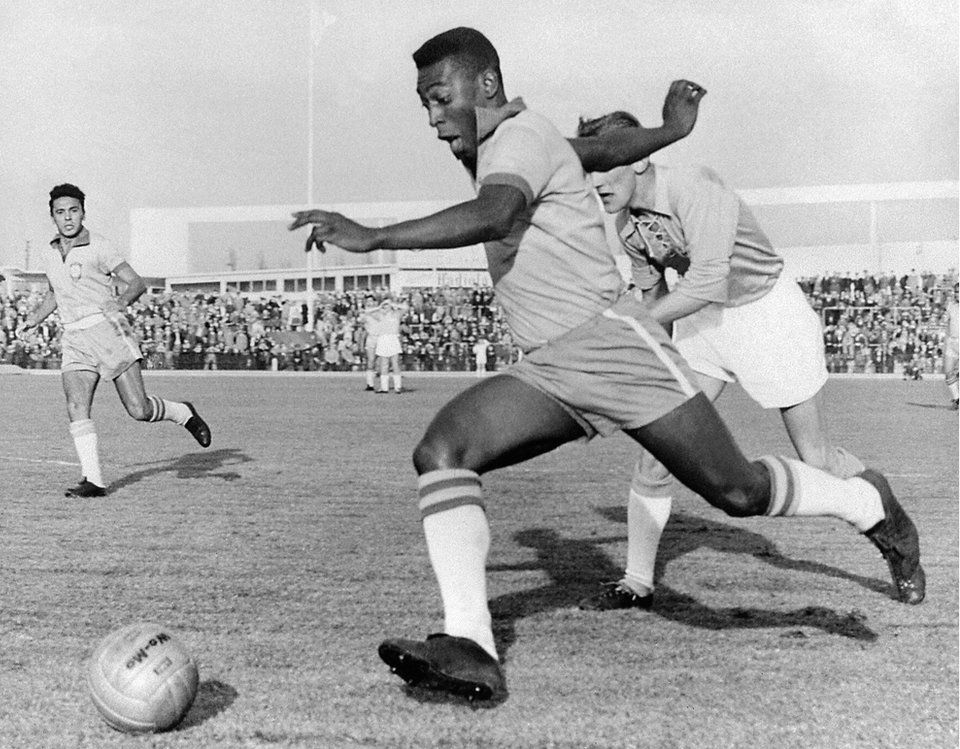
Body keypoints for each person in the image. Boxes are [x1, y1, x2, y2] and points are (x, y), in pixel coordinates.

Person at [288, 28, 923, 702]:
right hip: (554, 366)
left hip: (616, 348)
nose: (432, 115)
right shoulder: (523, 137)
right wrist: (668, 130)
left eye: (440, 97)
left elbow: (494, 212)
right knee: (443, 449)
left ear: (487, 86)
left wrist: (376, 236)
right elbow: (599, 150)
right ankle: (469, 644)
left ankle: (867, 503)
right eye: (423, 104)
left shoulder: (517, 140)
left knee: (736, 492)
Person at [573, 110, 868, 611]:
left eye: (605, 165)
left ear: (641, 158)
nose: (595, 182)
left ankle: (884, 515)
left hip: (766, 312)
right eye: (589, 169)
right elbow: (656, 303)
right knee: (659, 447)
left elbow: (705, 280)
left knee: (816, 458)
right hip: (703, 320)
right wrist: (637, 363)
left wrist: (626, 327)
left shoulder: (693, 186)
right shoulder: (627, 227)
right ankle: (636, 582)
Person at [21, 184, 211, 498]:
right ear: (52, 216)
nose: (67, 218)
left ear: (83, 212)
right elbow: (55, 293)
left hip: (108, 332)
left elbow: (136, 282)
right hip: (74, 337)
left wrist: (121, 302)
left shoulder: (101, 246)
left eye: (73, 210)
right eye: (60, 212)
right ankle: (94, 481)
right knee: (76, 405)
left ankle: (183, 413)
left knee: (139, 410)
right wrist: (33, 319)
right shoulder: (49, 252)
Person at [373, 298, 405, 393]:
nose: (386, 307)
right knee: (384, 364)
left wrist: (394, 304)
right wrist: (379, 306)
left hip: (393, 338)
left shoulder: (396, 314)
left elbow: (405, 307)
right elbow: (367, 311)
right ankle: (384, 387)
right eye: (384, 305)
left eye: (387, 305)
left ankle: (397, 387)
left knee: (395, 363)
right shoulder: (380, 315)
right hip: (383, 338)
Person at [360, 302, 381, 390]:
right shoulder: (366, 316)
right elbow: (364, 314)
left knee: (382, 361)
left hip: (381, 338)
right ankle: (370, 384)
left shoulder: (380, 314)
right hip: (371, 339)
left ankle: (383, 383)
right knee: (371, 361)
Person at [945, 285, 959, 409]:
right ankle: (957, 399)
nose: (957, 294)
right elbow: (945, 320)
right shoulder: (951, 306)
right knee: (948, 373)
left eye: (959, 292)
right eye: (956, 292)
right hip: (952, 342)